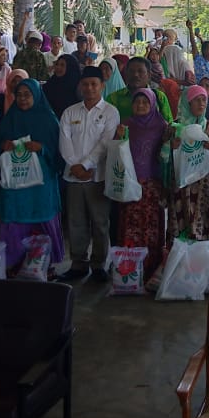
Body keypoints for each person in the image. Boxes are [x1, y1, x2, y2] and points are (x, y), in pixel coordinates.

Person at [0, 79, 65, 272]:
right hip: (15, 183)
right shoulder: (11, 118)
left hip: (40, 184)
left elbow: (60, 151)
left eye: (27, 94)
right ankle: (13, 262)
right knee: (14, 215)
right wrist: (3, 145)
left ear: (36, 95)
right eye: (19, 95)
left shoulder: (49, 120)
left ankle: (44, 263)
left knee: (42, 216)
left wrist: (42, 147)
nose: (23, 99)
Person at [57, 67, 119, 282]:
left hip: (98, 176)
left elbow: (105, 143)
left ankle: (99, 264)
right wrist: (75, 166)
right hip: (72, 176)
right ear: (80, 86)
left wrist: (86, 164)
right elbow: (64, 142)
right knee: (76, 221)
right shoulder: (70, 112)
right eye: (86, 84)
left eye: (94, 84)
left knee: (100, 222)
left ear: (102, 85)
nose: (90, 88)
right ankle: (78, 263)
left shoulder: (111, 112)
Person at [119, 89, 172, 280]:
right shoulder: (125, 124)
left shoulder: (162, 126)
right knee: (130, 224)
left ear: (152, 104)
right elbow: (117, 151)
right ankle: (130, 269)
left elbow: (167, 156)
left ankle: (151, 268)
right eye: (136, 102)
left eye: (145, 102)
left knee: (151, 225)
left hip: (152, 185)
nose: (140, 105)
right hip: (130, 182)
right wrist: (118, 136)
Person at [170, 84, 209, 242]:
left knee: (202, 226)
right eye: (196, 100)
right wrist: (171, 147)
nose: (201, 104)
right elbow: (163, 158)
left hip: (203, 187)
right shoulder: (176, 128)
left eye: (204, 100)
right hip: (182, 188)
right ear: (187, 103)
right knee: (181, 227)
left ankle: (199, 262)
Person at [108, 57, 175, 123]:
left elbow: (169, 125)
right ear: (126, 74)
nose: (135, 75)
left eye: (140, 71)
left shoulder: (159, 97)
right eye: (131, 71)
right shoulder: (114, 98)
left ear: (149, 75)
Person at [44, 54, 83, 119]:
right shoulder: (51, 82)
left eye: (62, 65)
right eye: (57, 64)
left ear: (70, 67)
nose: (58, 67)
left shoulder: (78, 86)